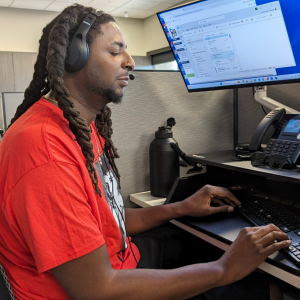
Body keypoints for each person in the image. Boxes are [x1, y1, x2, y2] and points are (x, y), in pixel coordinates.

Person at [0, 4, 291, 300]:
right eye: (115, 52)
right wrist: (225, 269)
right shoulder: (45, 150)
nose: (130, 62)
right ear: (75, 58)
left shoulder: (80, 127)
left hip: (120, 262)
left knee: (206, 247)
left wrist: (181, 207)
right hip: (104, 287)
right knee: (266, 287)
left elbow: (108, 219)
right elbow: (98, 290)